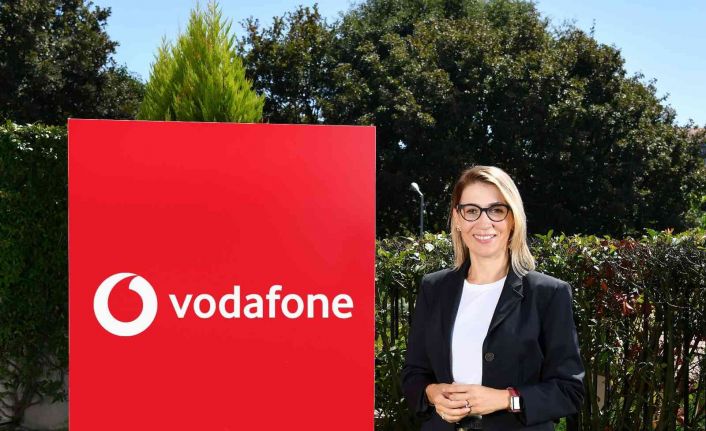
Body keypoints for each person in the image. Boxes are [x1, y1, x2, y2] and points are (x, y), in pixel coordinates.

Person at [401, 165, 585, 430]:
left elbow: (569, 392)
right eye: (471, 211)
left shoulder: (548, 293)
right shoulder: (434, 288)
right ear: (457, 219)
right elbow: (413, 375)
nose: (483, 222)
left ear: (513, 219)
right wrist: (433, 393)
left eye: (496, 210)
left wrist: (506, 399)